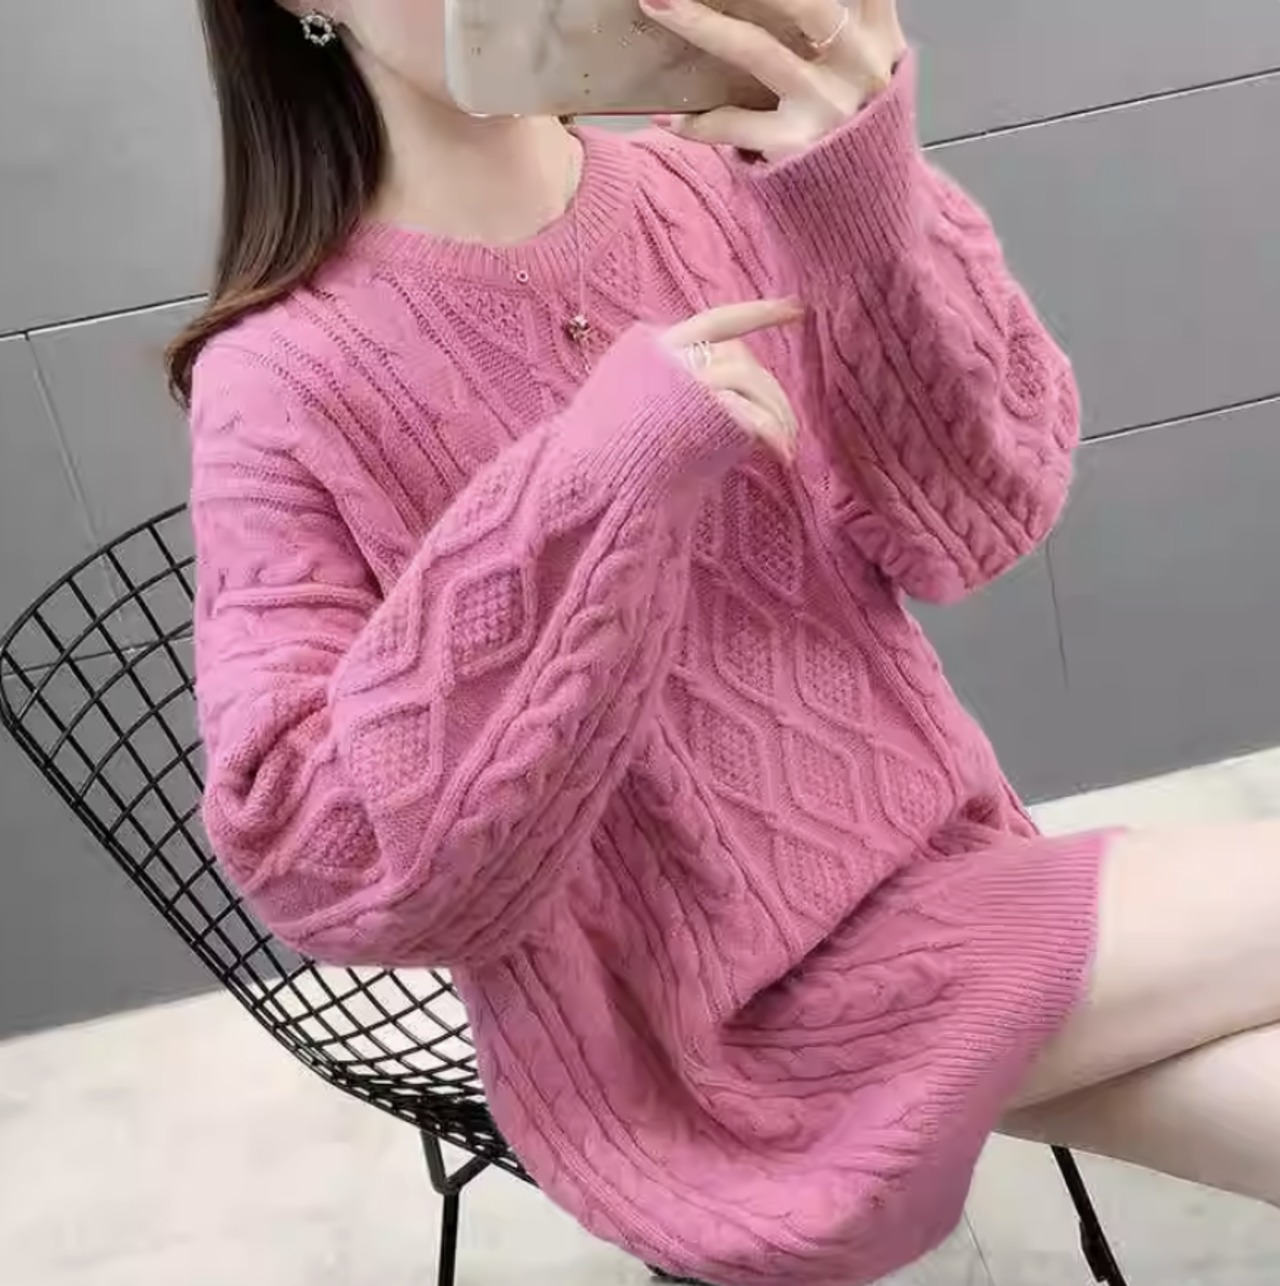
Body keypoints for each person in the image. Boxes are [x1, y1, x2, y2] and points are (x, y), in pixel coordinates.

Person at [174, 1, 1280, 1283]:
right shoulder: (280, 379)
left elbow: (974, 521)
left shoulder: (729, 185)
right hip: (699, 1030)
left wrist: (863, 197)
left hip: (948, 881)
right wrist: (593, 481)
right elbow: (319, 855)